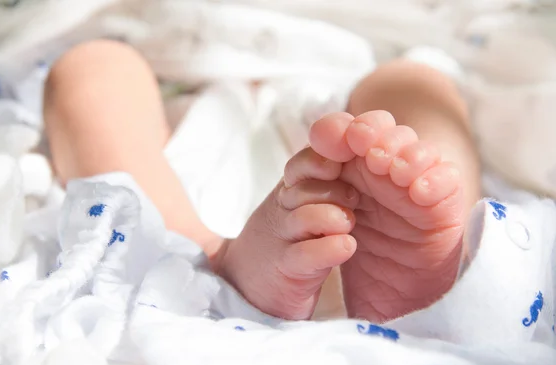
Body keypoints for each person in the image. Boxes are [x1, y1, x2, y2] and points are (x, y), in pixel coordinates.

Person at [44, 39, 480, 323]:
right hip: (182, 107)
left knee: (416, 83)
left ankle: (427, 222)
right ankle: (205, 256)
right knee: (93, 63)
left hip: (341, 109)